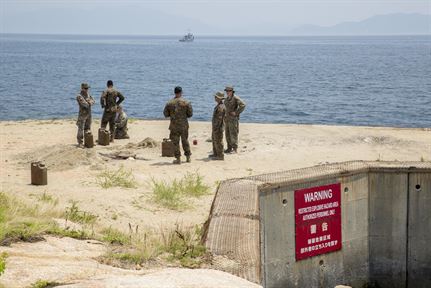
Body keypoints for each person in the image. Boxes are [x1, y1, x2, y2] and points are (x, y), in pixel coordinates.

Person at [163, 86, 193, 164]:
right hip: (184, 126)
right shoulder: (186, 102)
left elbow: (165, 114)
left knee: (175, 142)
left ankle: (178, 159)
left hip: (174, 126)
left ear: (174, 92)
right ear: (181, 92)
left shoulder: (170, 103)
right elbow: (190, 114)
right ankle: (188, 157)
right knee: (185, 141)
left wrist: (172, 114)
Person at [224, 85, 246, 153]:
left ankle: (235, 148)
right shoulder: (226, 98)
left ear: (232, 91)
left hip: (233, 119)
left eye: (229, 91)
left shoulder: (235, 98)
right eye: (226, 91)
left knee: (233, 133)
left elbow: (243, 105)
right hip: (227, 119)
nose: (227, 92)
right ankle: (229, 148)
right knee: (227, 134)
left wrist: (236, 113)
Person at [76, 83, 95, 147]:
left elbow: (93, 101)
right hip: (82, 114)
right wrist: (89, 102)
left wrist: (90, 102)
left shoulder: (88, 95)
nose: (87, 90)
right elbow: (85, 104)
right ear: (82, 88)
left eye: (87, 88)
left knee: (88, 128)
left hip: (89, 114)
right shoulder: (79, 96)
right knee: (81, 128)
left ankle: (88, 142)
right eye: (85, 88)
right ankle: (80, 142)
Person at [210, 91, 226, 160]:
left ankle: (220, 156)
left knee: (218, 141)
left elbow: (219, 119)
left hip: (218, 127)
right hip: (216, 127)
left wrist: (216, 128)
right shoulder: (219, 105)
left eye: (216, 97)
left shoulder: (220, 107)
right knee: (215, 140)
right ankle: (216, 153)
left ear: (219, 98)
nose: (215, 98)